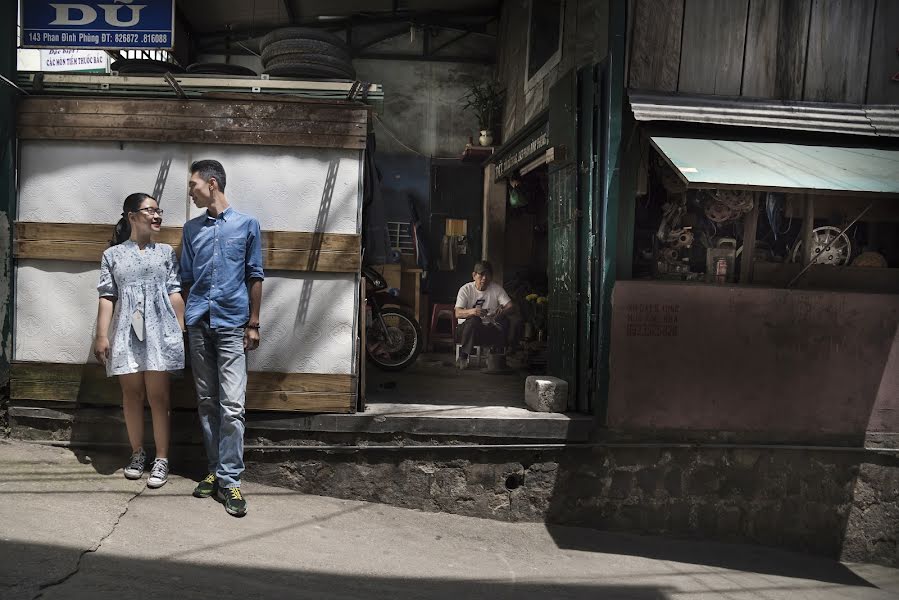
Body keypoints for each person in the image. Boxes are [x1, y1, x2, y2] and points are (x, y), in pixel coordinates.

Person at [181, 159, 264, 517]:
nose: (190, 191)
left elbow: (255, 275)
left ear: (212, 183)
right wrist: (184, 319)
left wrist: (254, 323)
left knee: (232, 406)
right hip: (199, 323)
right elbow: (185, 279)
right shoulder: (191, 229)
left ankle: (231, 480)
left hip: (232, 325)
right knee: (207, 401)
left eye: (193, 185)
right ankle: (215, 470)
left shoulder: (247, 225)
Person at [94, 193, 185, 488]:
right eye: (150, 210)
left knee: (159, 397)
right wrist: (101, 335)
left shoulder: (166, 253)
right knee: (131, 396)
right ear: (132, 216)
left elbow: (174, 292)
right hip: (126, 332)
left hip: (159, 331)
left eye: (159, 210)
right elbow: (107, 297)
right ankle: (137, 453)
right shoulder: (113, 255)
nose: (157, 215)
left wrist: (179, 329)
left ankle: (161, 458)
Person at [454, 261, 514, 369]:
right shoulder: (465, 289)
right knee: (474, 320)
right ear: (474, 275)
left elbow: (510, 306)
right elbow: (457, 313)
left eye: (488, 275)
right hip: (465, 330)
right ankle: (463, 356)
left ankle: (497, 356)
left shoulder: (496, 289)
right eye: (481, 274)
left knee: (505, 320)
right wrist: (472, 311)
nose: (484, 278)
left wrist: (501, 311)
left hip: (486, 329)